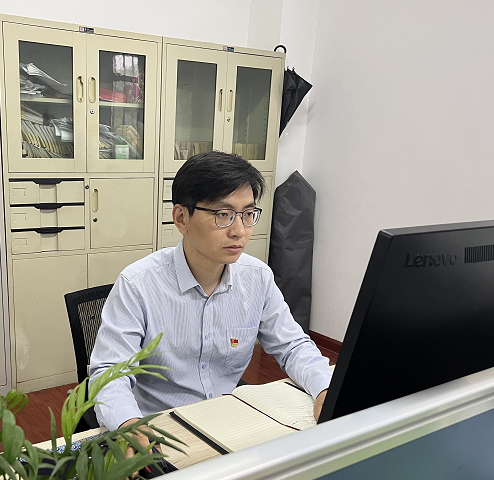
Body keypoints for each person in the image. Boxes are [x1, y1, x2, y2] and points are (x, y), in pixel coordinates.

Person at [89, 151, 333, 451]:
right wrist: (129, 425)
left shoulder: (257, 278)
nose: (239, 231)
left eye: (247, 214)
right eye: (223, 214)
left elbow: (293, 345)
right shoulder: (138, 284)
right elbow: (109, 373)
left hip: (227, 424)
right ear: (181, 218)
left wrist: (325, 388)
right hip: (159, 431)